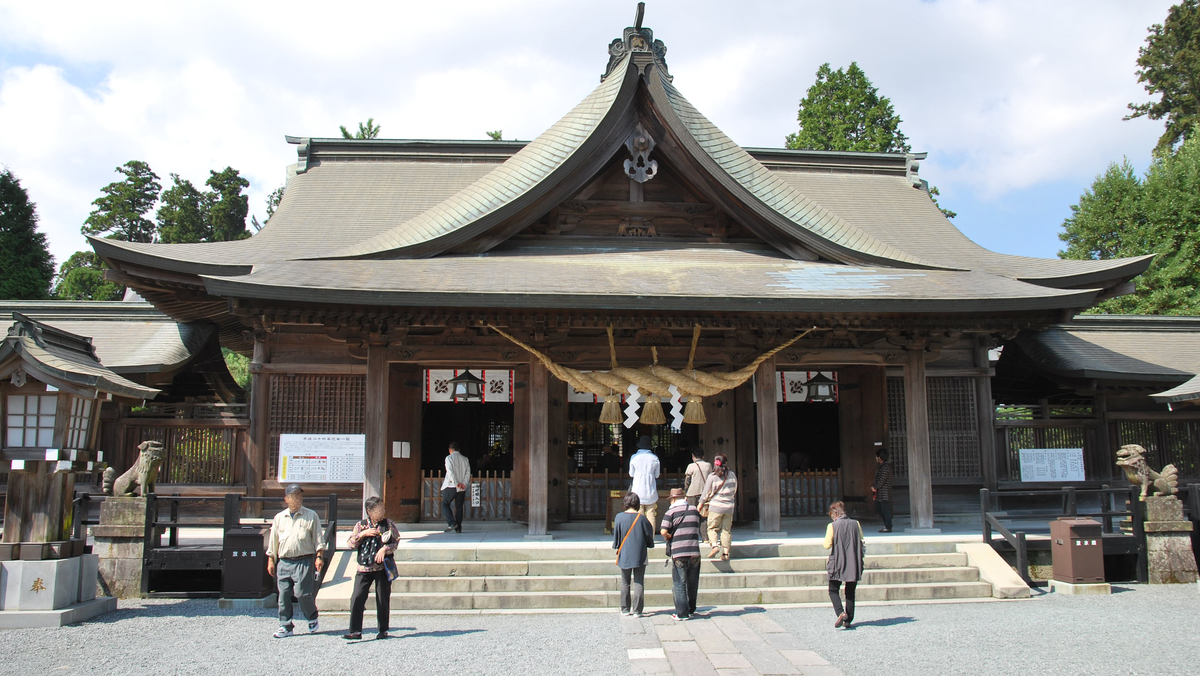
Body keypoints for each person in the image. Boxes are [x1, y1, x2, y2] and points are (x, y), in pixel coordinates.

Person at [266, 484, 326, 639]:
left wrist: (319, 556)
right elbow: (273, 541)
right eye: (293, 496)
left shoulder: (310, 515)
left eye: (299, 496)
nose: (297, 499)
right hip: (284, 560)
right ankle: (285, 625)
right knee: (284, 594)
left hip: (304, 559)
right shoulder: (279, 518)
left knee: (302, 593)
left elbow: (318, 538)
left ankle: (311, 616)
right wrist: (271, 560)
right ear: (286, 499)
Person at [343, 496, 400, 640]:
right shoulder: (360, 525)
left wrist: (385, 549)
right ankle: (355, 631)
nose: (382, 511)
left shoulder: (388, 524)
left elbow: (396, 541)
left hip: (382, 568)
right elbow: (350, 544)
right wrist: (362, 534)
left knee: (382, 599)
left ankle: (383, 629)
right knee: (357, 597)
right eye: (378, 508)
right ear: (369, 511)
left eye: (382, 508)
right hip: (364, 568)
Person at [660, 487, 702, 621]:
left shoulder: (670, 512)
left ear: (672, 499)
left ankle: (682, 613)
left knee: (679, 582)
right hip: (694, 551)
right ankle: (691, 609)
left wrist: (668, 536)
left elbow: (663, 531)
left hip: (679, 551)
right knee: (692, 582)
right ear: (684, 498)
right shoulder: (694, 510)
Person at [612, 492, 655, 617]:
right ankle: (637, 610)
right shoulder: (642, 518)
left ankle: (625, 609)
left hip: (624, 553)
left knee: (625, 582)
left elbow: (617, 538)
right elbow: (649, 536)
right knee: (639, 581)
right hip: (640, 553)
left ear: (625, 503)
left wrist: (617, 546)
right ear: (637, 504)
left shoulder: (619, 517)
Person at [824, 500, 865, 630]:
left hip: (838, 561)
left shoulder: (832, 526)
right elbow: (861, 539)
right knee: (850, 591)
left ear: (835, 514)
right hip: (854, 560)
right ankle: (848, 620)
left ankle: (841, 613)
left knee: (833, 589)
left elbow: (826, 545)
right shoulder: (855, 524)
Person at [699, 453, 738, 561]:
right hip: (729, 506)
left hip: (716, 506)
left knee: (712, 528)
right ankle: (725, 553)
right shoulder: (732, 475)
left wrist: (700, 503)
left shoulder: (712, 477)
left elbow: (706, 492)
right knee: (726, 530)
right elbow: (734, 490)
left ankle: (715, 546)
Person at [628, 435, 661, 528]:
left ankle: (641, 536)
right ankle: (651, 537)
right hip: (651, 489)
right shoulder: (654, 458)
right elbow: (657, 475)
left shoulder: (634, 457)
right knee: (651, 514)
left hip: (637, 490)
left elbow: (631, 474)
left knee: (639, 514)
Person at [441, 441, 471, 533]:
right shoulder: (465, 459)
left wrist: (456, 482)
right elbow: (468, 473)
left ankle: (452, 523)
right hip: (462, 487)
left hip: (451, 486)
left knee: (445, 504)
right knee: (459, 507)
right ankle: (458, 528)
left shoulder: (449, 458)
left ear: (450, 450)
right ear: (459, 450)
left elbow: (450, 471)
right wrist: (463, 483)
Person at [872, 447, 894, 533]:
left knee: (885, 509)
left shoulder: (886, 467)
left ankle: (888, 526)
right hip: (879, 492)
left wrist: (876, 487)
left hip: (884, 491)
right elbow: (877, 478)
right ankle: (886, 524)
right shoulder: (881, 466)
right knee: (878, 508)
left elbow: (882, 479)